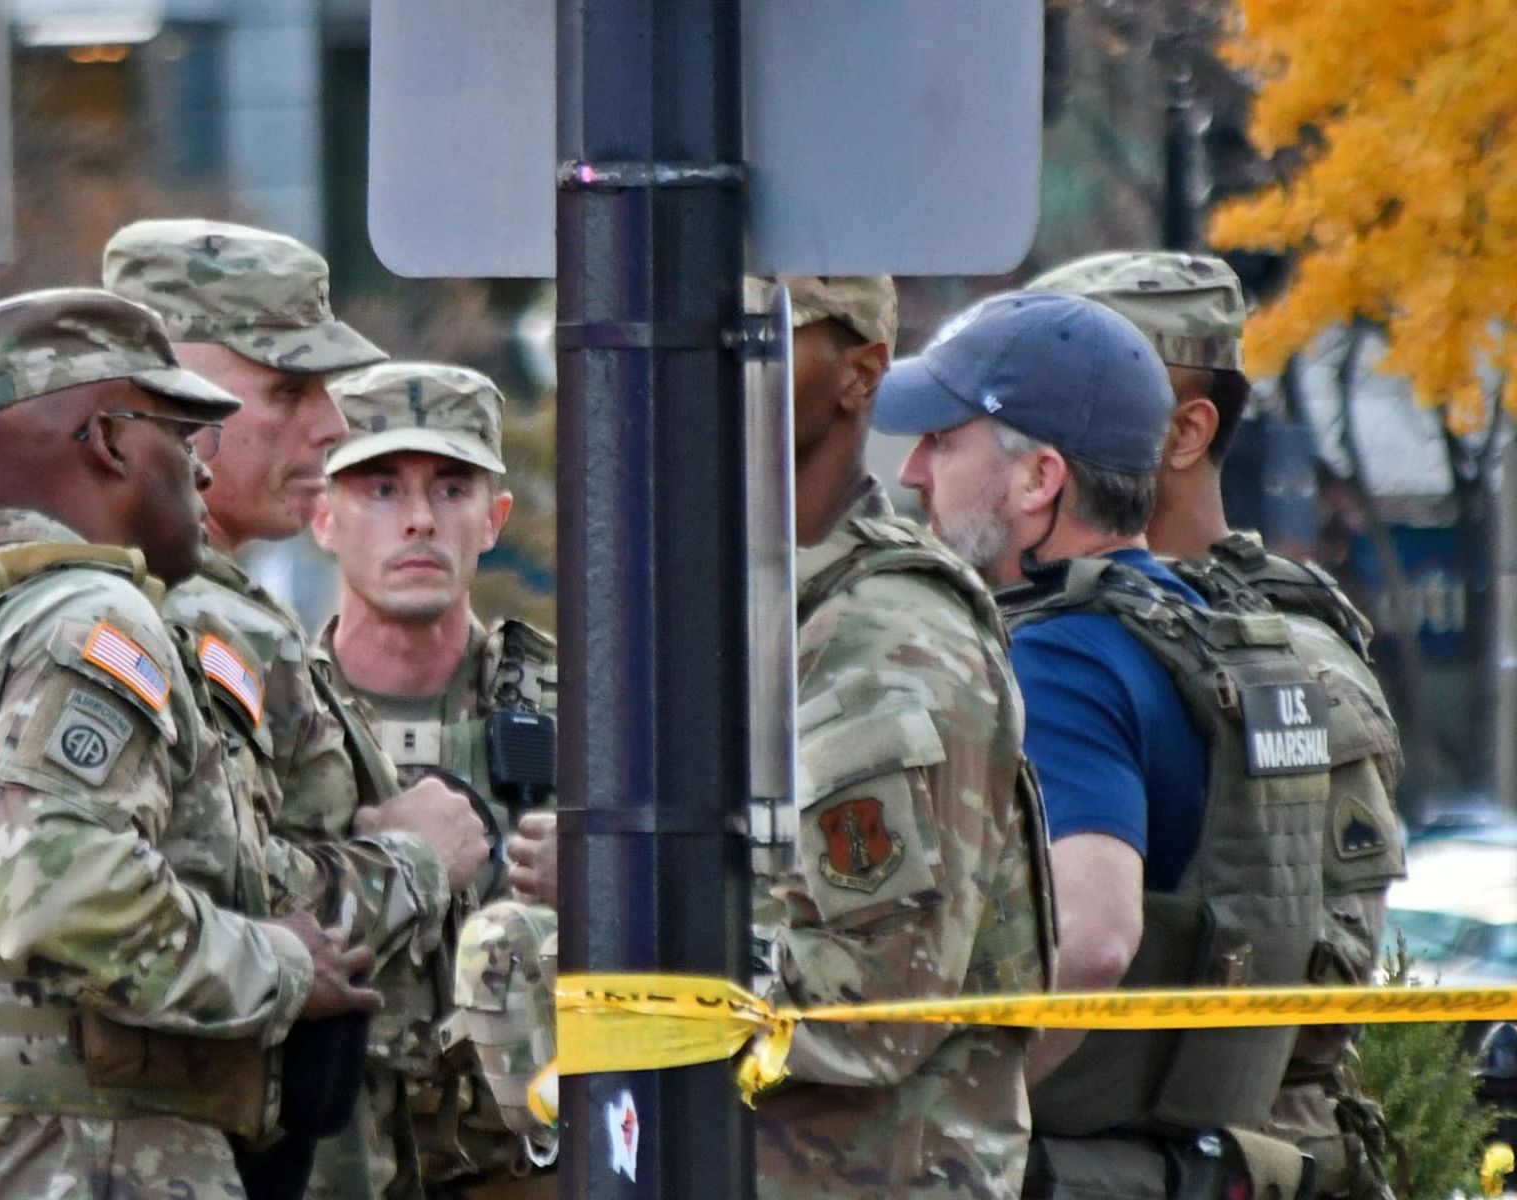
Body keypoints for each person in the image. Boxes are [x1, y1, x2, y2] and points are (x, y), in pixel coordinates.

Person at [0, 288, 384, 1200]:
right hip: (87, 1168)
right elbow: (69, 897)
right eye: (180, 431)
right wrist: (285, 965)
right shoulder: (92, 616)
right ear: (111, 440)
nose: (202, 471)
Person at [484, 278, 1057, 1200]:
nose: (706, 370)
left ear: (859, 375)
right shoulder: (726, 603)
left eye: (755, 341)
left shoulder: (888, 638)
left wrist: (619, 891)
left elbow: (875, 1002)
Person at [883, 291, 1331, 1200]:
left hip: (1075, 1164)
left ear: (1038, 478)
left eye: (946, 440)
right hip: (1185, 1159)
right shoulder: (1195, 626)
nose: (915, 471)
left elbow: (1093, 938)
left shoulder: (1060, 659)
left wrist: (943, 1120)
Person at [105, 219, 490, 1200]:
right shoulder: (175, 621)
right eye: (287, 392)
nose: (328, 427)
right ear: (174, 386)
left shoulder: (190, 606)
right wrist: (415, 856)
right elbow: (206, 902)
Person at [1032, 251, 1408, 1200]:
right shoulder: (1070, 623)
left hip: (1206, 1150)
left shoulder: (1278, 659)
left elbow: (1316, 989)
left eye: (1085, 391)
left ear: (1186, 430)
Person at [311, 361, 558, 1197]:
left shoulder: (592, 717)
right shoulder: (270, 727)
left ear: (495, 519)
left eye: (451, 490)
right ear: (321, 515)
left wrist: (611, 881)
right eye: (379, 489)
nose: (417, 521)